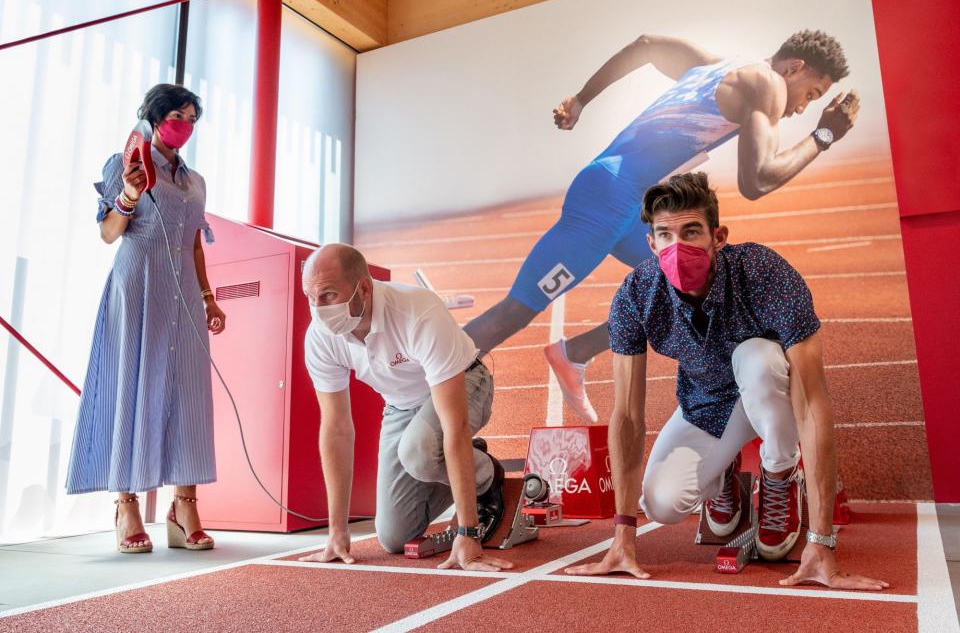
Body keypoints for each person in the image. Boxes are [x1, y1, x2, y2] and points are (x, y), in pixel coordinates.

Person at [463, 30, 860, 423]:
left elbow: (646, 46)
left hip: (628, 204)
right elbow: (756, 181)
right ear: (794, 67)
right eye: (811, 94)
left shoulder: (713, 65)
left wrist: (582, 99)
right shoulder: (769, 85)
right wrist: (824, 135)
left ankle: (574, 353)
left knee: (692, 288)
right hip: (607, 201)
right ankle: (422, 381)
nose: (802, 108)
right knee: (513, 312)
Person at [564, 172, 887, 589]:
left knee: (756, 357)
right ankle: (724, 475)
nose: (677, 247)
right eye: (665, 234)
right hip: (707, 404)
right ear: (651, 244)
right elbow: (626, 414)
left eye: (691, 231)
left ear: (719, 236)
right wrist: (623, 535)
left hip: (773, 393)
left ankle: (779, 475)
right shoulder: (636, 294)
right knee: (661, 504)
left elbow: (811, 402)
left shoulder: (765, 273)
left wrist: (822, 541)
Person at [65, 84, 225, 553]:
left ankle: (183, 508)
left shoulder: (195, 181)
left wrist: (209, 297)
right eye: (178, 115)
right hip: (136, 287)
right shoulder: (125, 163)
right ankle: (127, 505)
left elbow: (195, 242)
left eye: (193, 119)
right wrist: (130, 195)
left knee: (189, 396)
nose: (185, 126)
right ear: (153, 118)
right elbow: (108, 234)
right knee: (129, 386)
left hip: (185, 299)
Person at [298, 244, 512, 572]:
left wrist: (468, 533)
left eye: (327, 295)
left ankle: (487, 476)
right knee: (394, 537)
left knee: (420, 452)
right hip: (401, 407)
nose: (318, 309)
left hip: (465, 382)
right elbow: (336, 427)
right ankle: (460, 457)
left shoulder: (417, 311)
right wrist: (336, 532)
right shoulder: (321, 336)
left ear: (364, 289)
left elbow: (454, 424)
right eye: (310, 298)